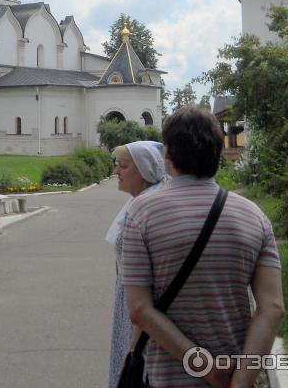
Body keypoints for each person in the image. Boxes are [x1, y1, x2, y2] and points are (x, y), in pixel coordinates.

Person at [121, 106, 284, 388]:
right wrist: (242, 381)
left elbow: (138, 309)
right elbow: (272, 307)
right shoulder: (254, 216)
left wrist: (205, 366)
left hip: (167, 379)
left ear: (167, 153)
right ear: (217, 153)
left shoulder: (141, 213)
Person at [106, 140, 168, 388]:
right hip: (129, 299)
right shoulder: (138, 201)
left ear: (144, 170)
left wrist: (134, 345)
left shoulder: (146, 208)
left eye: (123, 166)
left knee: (134, 369)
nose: (116, 173)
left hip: (139, 307)